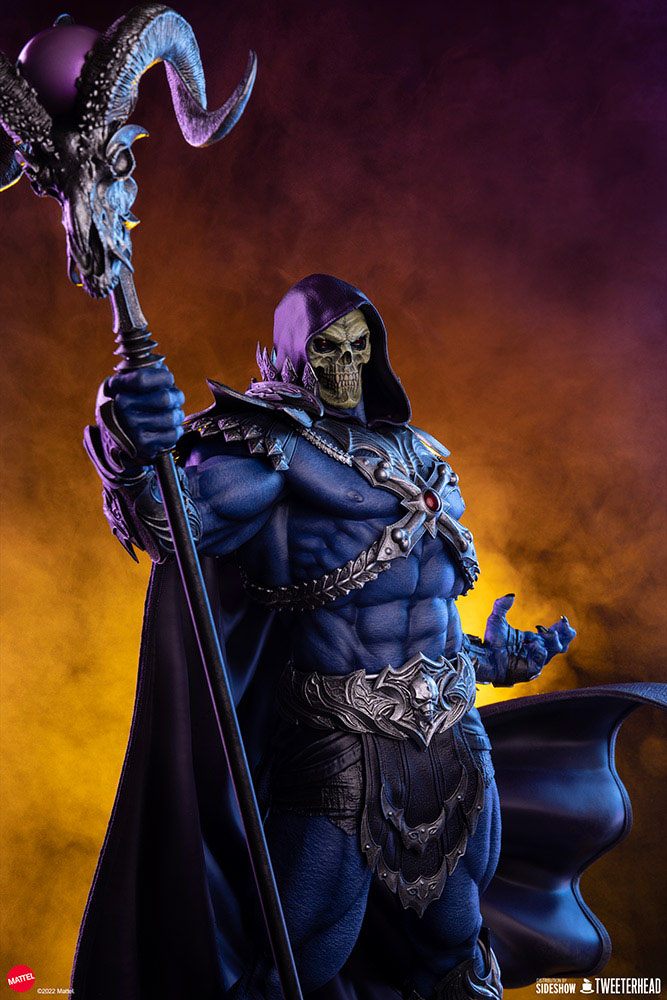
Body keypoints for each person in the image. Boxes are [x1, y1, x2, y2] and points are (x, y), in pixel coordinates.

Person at [83, 272, 575, 999]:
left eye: (357, 345)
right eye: (326, 348)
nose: (345, 365)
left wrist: (491, 658)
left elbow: (418, 612)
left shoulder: (419, 454)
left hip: (453, 737)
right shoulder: (269, 452)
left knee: (456, 939)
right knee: (303, 955)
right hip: (345, 744)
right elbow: (166, 521)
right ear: (291, 354)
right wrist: (125, 441)